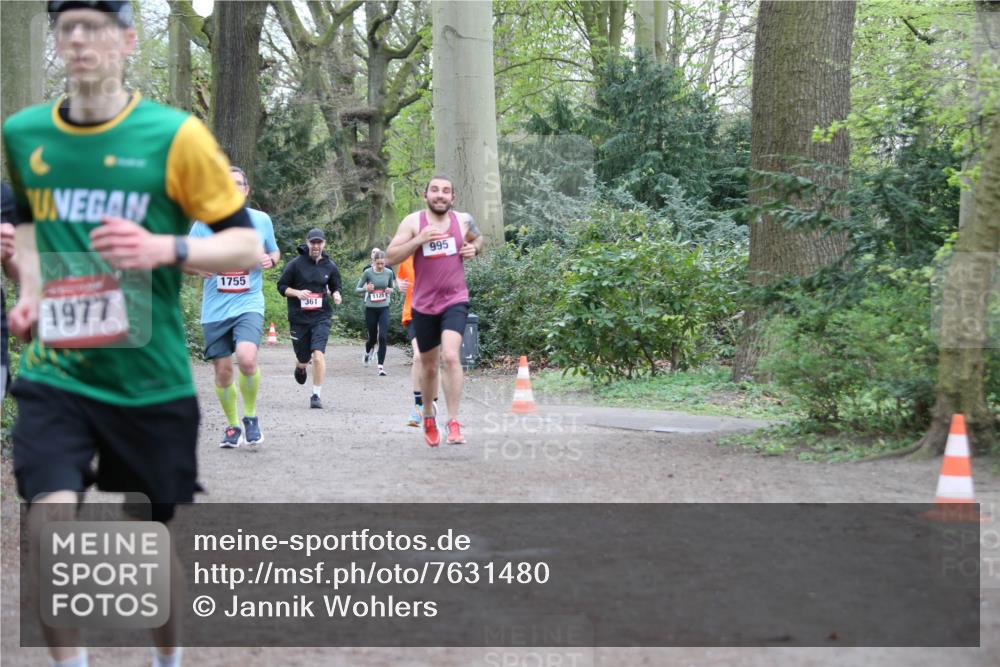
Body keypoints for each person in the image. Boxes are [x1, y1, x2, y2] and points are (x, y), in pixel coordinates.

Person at [2, 2, 261, 666]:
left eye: (96, 24)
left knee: (152, 543)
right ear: (56, 41)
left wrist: (163, 248)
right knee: (47, 526)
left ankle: (166, 659)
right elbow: (30, 230)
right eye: (67, 26)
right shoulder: (23, 134)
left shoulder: (175, 136)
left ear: (128, 38)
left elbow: (239, 246)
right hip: (55, 372)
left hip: (149, 379)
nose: (80, 37)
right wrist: (28, 291)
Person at [386, 176, 484, 446]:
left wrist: (473, 247)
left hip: (455, 299)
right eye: (435, 190)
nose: (440, 195)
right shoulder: (412, 222)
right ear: (425, 194)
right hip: (424, 304)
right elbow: (390, 256)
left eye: (446, 191)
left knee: (451, 357)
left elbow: (480, 239)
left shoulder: (463, 220)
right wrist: (419, 240)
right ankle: (428, 416)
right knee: (429, 368)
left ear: (453, 197)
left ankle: (453, 422)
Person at [190, 166, 280, 448]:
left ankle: (250, 418)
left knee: (247, 358)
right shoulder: (204, 222)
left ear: (246, 190)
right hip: (216, 309)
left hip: (248, 302)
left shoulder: (261, 220)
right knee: (224, 371)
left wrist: (271, 260)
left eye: (238, 184)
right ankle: (232, 426)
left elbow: (274, 250)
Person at [277, 227, 342, 408]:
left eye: (319, 242)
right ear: (307, 243)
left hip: (321, 316)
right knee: (304, 358)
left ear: (324, 244)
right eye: (312, 242)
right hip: (299, 317)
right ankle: (301, 366)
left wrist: (336, 294)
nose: (316, 246)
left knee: (318, 355)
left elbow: (336, 285)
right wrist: (297, 293)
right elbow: (281, 286)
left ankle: (316, 395)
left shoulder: (330, 266)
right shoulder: (295, 264)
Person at [396, 254, 439, 426]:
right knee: (418, 357)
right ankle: (418, 406)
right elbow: (399, 277)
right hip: (413, 314)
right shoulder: (406, 258)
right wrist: (398, 283)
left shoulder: (437, 256)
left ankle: (433, 405)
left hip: (435, 313)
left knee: (433, 361)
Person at [356, 249, 395, 375]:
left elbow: (391, 287)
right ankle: (368, 352)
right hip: (371, 309)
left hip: (384, 308)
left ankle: (380, 366)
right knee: (372, 339)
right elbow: (357, 289)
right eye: (378, 263)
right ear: (373, 262)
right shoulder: (367, 272)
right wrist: (366, 288)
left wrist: (390, 290)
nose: (380, 266)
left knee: (382, 337)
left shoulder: (389, 272)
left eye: (382, 264)